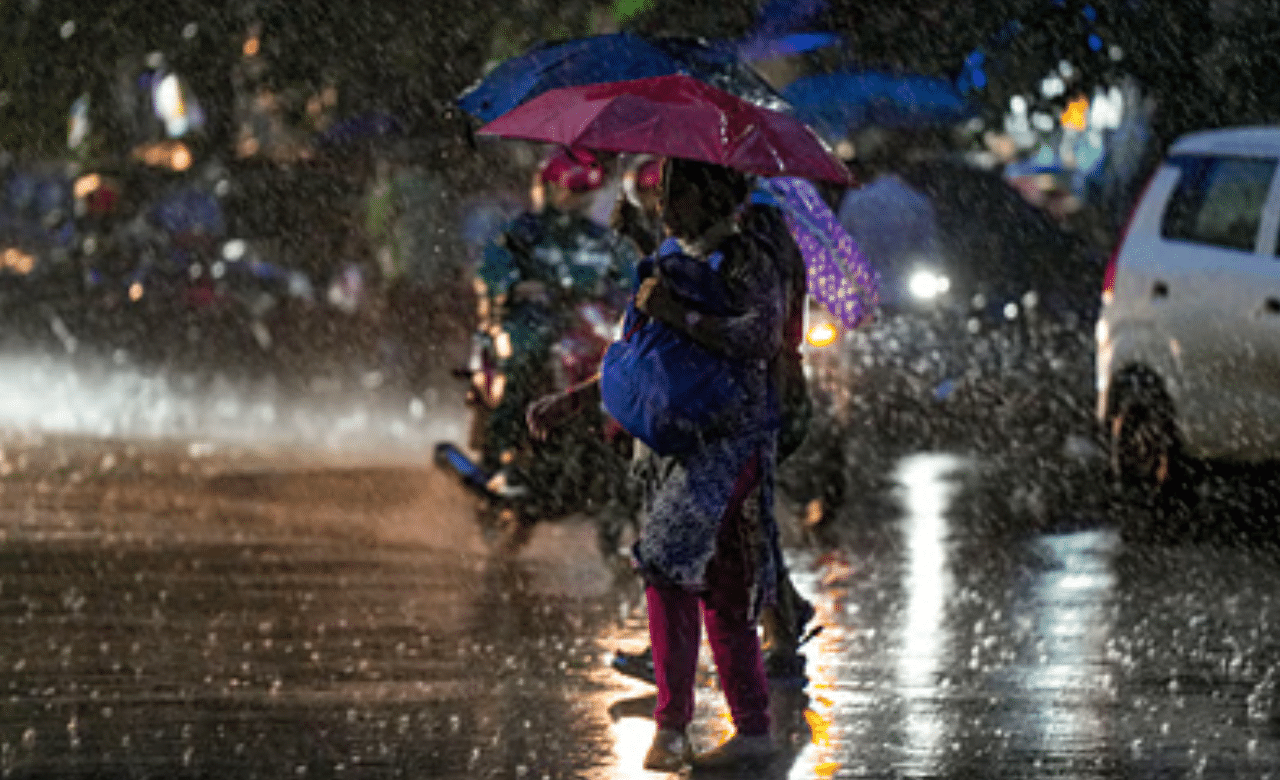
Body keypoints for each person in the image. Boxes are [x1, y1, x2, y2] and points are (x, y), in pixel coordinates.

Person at [528, 157, 798, 771]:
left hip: (730, 447)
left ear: (716, 195)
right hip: (678, 447)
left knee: (671, 570)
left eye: (681, 191)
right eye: (665, 191)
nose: (667, 202)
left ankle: (673, 728)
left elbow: (758, 339)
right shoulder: (666, 261)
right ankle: (751, 731)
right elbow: (634, 355)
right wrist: (572, 403)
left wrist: (683, 314)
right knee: (720, 591)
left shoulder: (751, 258)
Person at [472, 147, 638, 490]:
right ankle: (508, 454)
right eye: (571, 191)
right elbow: (492, 272)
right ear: (546, 188)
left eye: (584, 194)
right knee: (523, 364)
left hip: (586, 326)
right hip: (527, 324)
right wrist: (510, 289)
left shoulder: (603, 240)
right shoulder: (520, 235)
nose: (577, 201)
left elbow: (630, 280)